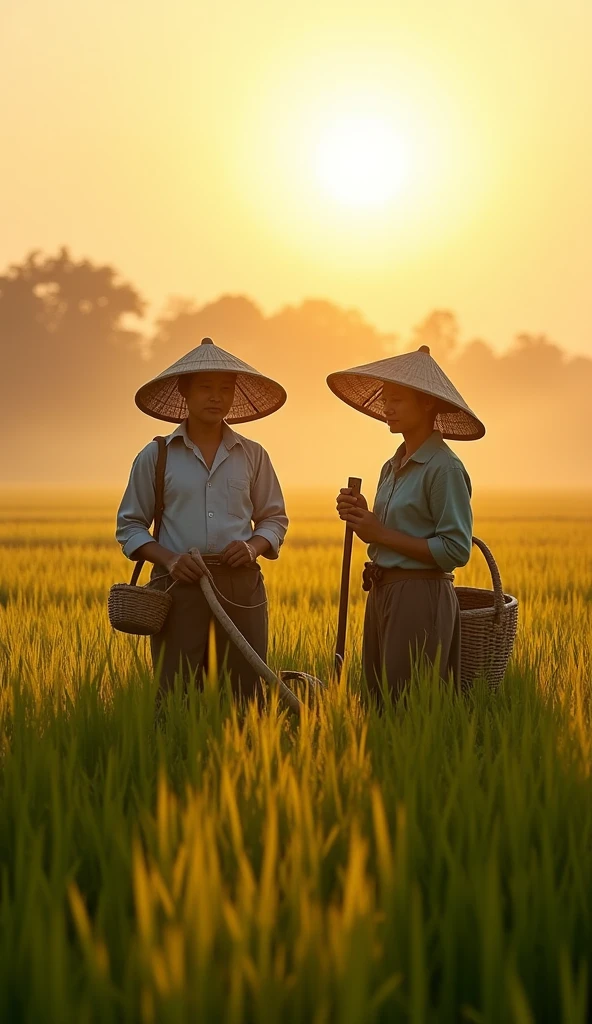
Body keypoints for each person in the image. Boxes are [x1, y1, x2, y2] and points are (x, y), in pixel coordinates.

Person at [116, 337, 288, 703]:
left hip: (240, 585)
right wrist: (170, 560)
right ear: (184, 393)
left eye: (225, 389)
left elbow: (274, 519)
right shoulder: (157, 454)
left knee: (246, 695)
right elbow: (129, 526)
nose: (217, 398)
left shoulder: (253, 455)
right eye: (206, 388)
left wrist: (252, 547)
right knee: (176, 694)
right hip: (178, 586)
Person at [326, 344, 485, 703]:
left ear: (427, 403)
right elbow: (395, 529)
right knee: (377, 702)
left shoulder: (444, 468)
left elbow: (456, 549)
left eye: (397, 400)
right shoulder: (392, 464)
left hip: (420, 596)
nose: (388, 408)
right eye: (385, 400)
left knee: (409, 704)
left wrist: (379, 532)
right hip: (383, 590)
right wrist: (364, 515)